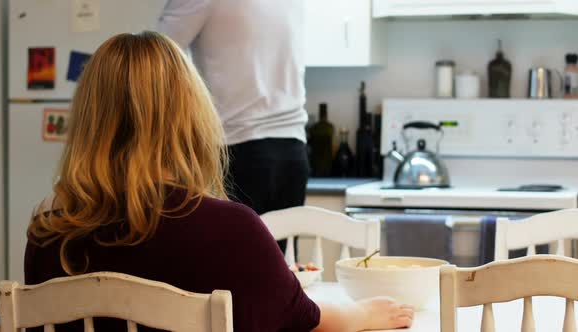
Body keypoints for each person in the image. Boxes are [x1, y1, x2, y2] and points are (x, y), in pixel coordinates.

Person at [25, 32, 414, 331]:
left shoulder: (48, 237)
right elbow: (308, 320)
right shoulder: (232, 230)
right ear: (191, 118)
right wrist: (362, 312)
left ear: (88, 123)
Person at [157, 1, 309, 252]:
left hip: (238, 148)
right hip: (293, 150)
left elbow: (151, 58)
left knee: (230, 269)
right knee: (278, 273)